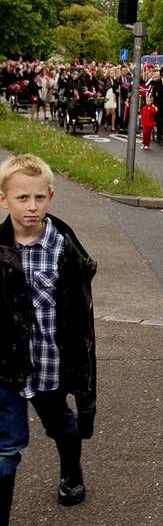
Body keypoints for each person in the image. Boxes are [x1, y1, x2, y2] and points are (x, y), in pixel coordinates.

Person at [0, 154, 98, 521]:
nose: (32, 206)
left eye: (39, 198)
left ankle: (71, 469)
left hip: (48, 363)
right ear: (4, 199)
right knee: (6, 447)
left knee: (60, 423)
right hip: (7, 365)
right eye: (22, 198)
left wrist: (83, 376)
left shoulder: (64, 250)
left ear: (51, 197)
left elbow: (79, 320)